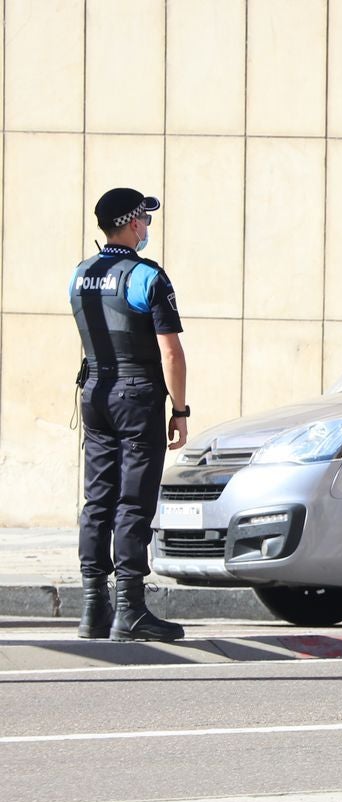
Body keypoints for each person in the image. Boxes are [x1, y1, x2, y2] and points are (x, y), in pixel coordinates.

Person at [69, 187, 189, 642]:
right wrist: (179, 410)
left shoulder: (79, 275)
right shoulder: (147, 277)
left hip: (94, 392)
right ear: (134, 222)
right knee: (133, 501)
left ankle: (92, 608)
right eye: (146, 220)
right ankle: (130, 609)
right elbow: (171, 353)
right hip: (137, 397)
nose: (148, 229)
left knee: (97, 499)